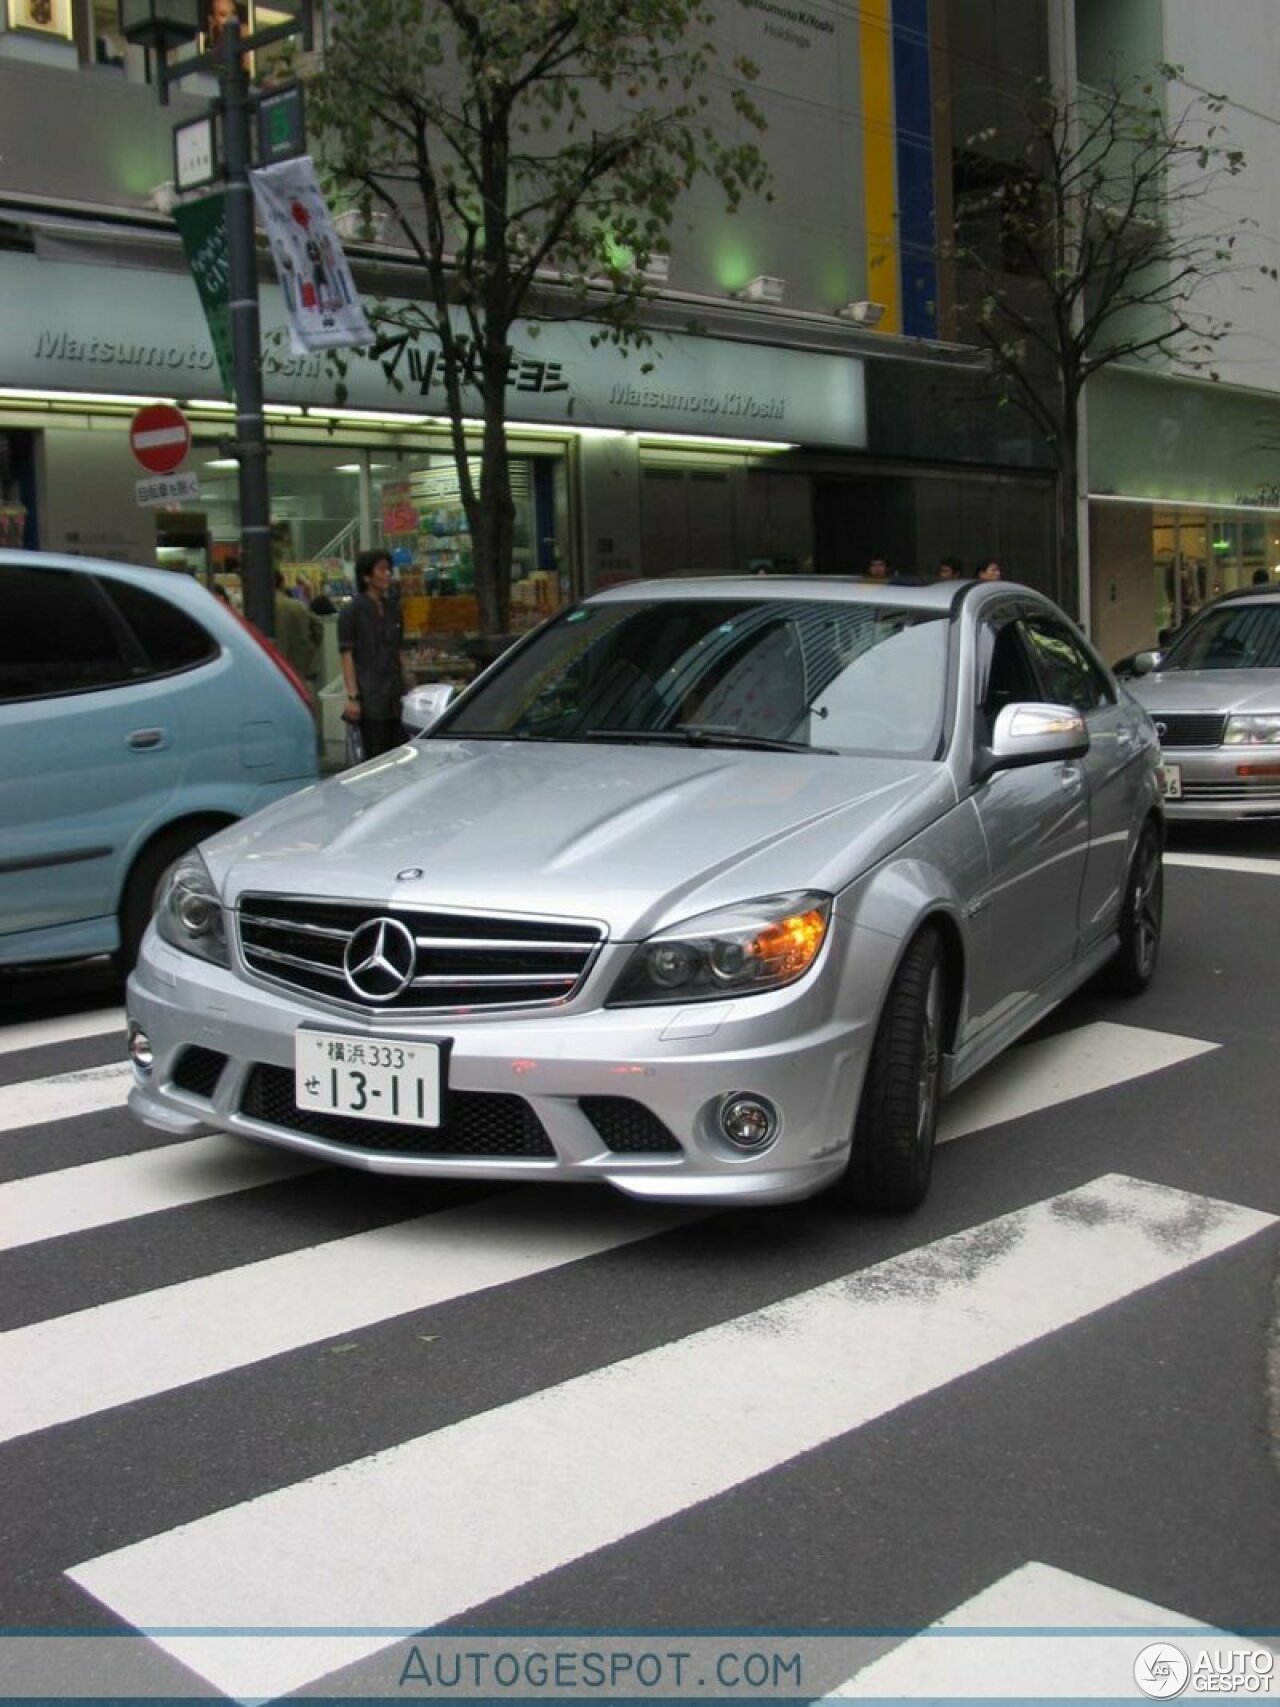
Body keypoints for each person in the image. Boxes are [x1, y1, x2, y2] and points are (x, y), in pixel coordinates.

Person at [338, 548, 411, 759]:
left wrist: (408, 679)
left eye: (389, 569)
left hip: (395, 693)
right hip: (369, 694)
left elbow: (398, 648)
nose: (388, 574)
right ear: (366, 576)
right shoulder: (352, 610)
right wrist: (353, 696)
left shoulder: (393, 609)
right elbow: (346, 654)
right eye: (382, 569)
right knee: (374, 755)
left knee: (399, 753)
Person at [273, 572, 322, 695]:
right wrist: (309, 650)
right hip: (300, 672)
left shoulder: (257, 609)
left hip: (272, 675)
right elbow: (318, 628)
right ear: (282, 584)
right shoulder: (298, 606)